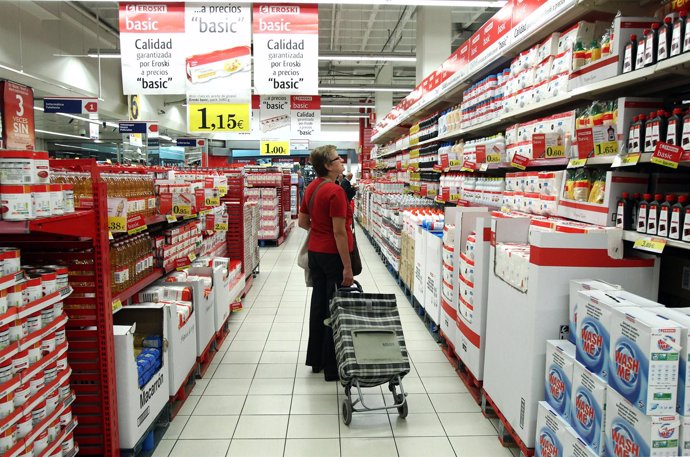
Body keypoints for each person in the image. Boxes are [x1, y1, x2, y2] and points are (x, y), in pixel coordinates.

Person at [298, 145, 354, 382]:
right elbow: (340, 233)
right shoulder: (335, 192)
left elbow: (302, 222)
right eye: (337, 159)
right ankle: (333, 366)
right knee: (336, 308)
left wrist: (319, 231)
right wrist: (347, 267)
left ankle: (317, 360)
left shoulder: (312, 187)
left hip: (315, 254)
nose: (342, 161)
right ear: (328, 166)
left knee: (319, 304)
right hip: (333, 256)